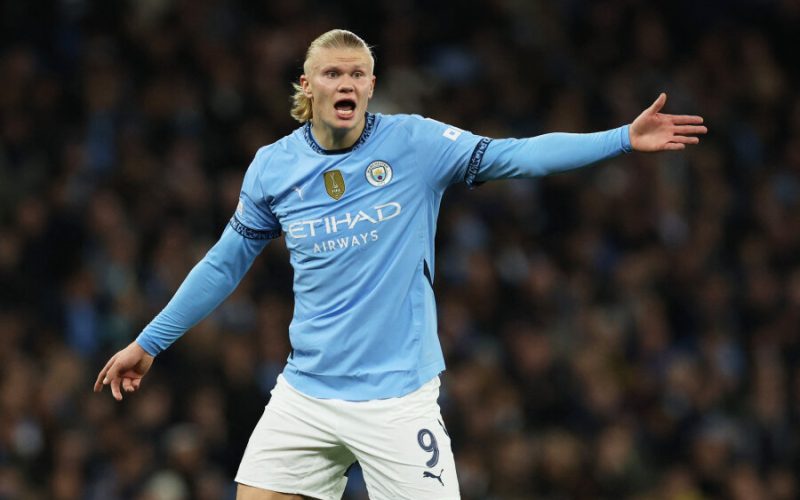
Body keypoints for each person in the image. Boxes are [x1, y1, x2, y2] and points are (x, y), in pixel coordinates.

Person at [94, 29, 707, 500]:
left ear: (370, 85)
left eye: (358, 74)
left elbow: (517, 155)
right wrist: (149, 343)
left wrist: (620, 138)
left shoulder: (414, 144)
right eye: (333, 73)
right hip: (306, 392)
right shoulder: (273, 168)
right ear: (307, 86)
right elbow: (224, 265)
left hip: (396, 399)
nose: (347, 83)